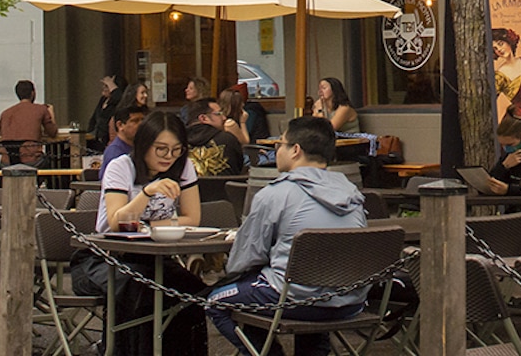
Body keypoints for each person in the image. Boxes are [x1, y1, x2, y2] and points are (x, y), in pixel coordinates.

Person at [208, 116, 370, 356]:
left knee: (215, 302)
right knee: (310, 285)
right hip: (350, 302)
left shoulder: (275, 194)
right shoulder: (353, 195)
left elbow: (244, 259)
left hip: (294, 301)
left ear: (295, 150)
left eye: (280, 144)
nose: (276, 150)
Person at [80, 111, 206, 356]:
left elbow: (193, 218)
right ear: (144, 144)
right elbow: (117, 222)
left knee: (194, 291)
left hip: (156, 256)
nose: (169, 157)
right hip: (109, 258)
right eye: (161, 149)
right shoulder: (121, 166)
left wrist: (150, 226)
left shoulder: (183, 166)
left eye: (176, 149)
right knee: (143, 292)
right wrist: (147, 193)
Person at [184, 97, 247, 182]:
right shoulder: (227, 139)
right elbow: (239, 168)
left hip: (189, 193)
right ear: (203, 118)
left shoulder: (178, 142)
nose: (224, 117)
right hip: (228, 193)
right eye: (219, 113)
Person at [0, 79, 58, 166]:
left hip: (7, 160)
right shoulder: (41, 109)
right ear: (33, 93)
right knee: (49, 160)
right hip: (30, 158)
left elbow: (2, 134)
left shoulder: (5, 113)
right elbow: (53, 133)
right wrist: (51, 114)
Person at [492, 28, 521, 124]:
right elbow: (491, 101)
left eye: (501, 44)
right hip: (516, 122)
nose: (500, 50)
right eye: (495, 49)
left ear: (509, 42)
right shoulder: (499, 75)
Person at [101, 102, 149, 169]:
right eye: (135, 121)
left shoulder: (139, 148)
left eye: (142, 120)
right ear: (120, 125)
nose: (141, 124)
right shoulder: (115, 153)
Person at [87, 74, 125, 149]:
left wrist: (111, 85)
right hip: (95, 139)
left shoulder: (118, 102)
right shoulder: (103, 100)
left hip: (107, 142)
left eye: (107, 86)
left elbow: (119, 97)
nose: (103, 88)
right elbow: (93, 119)